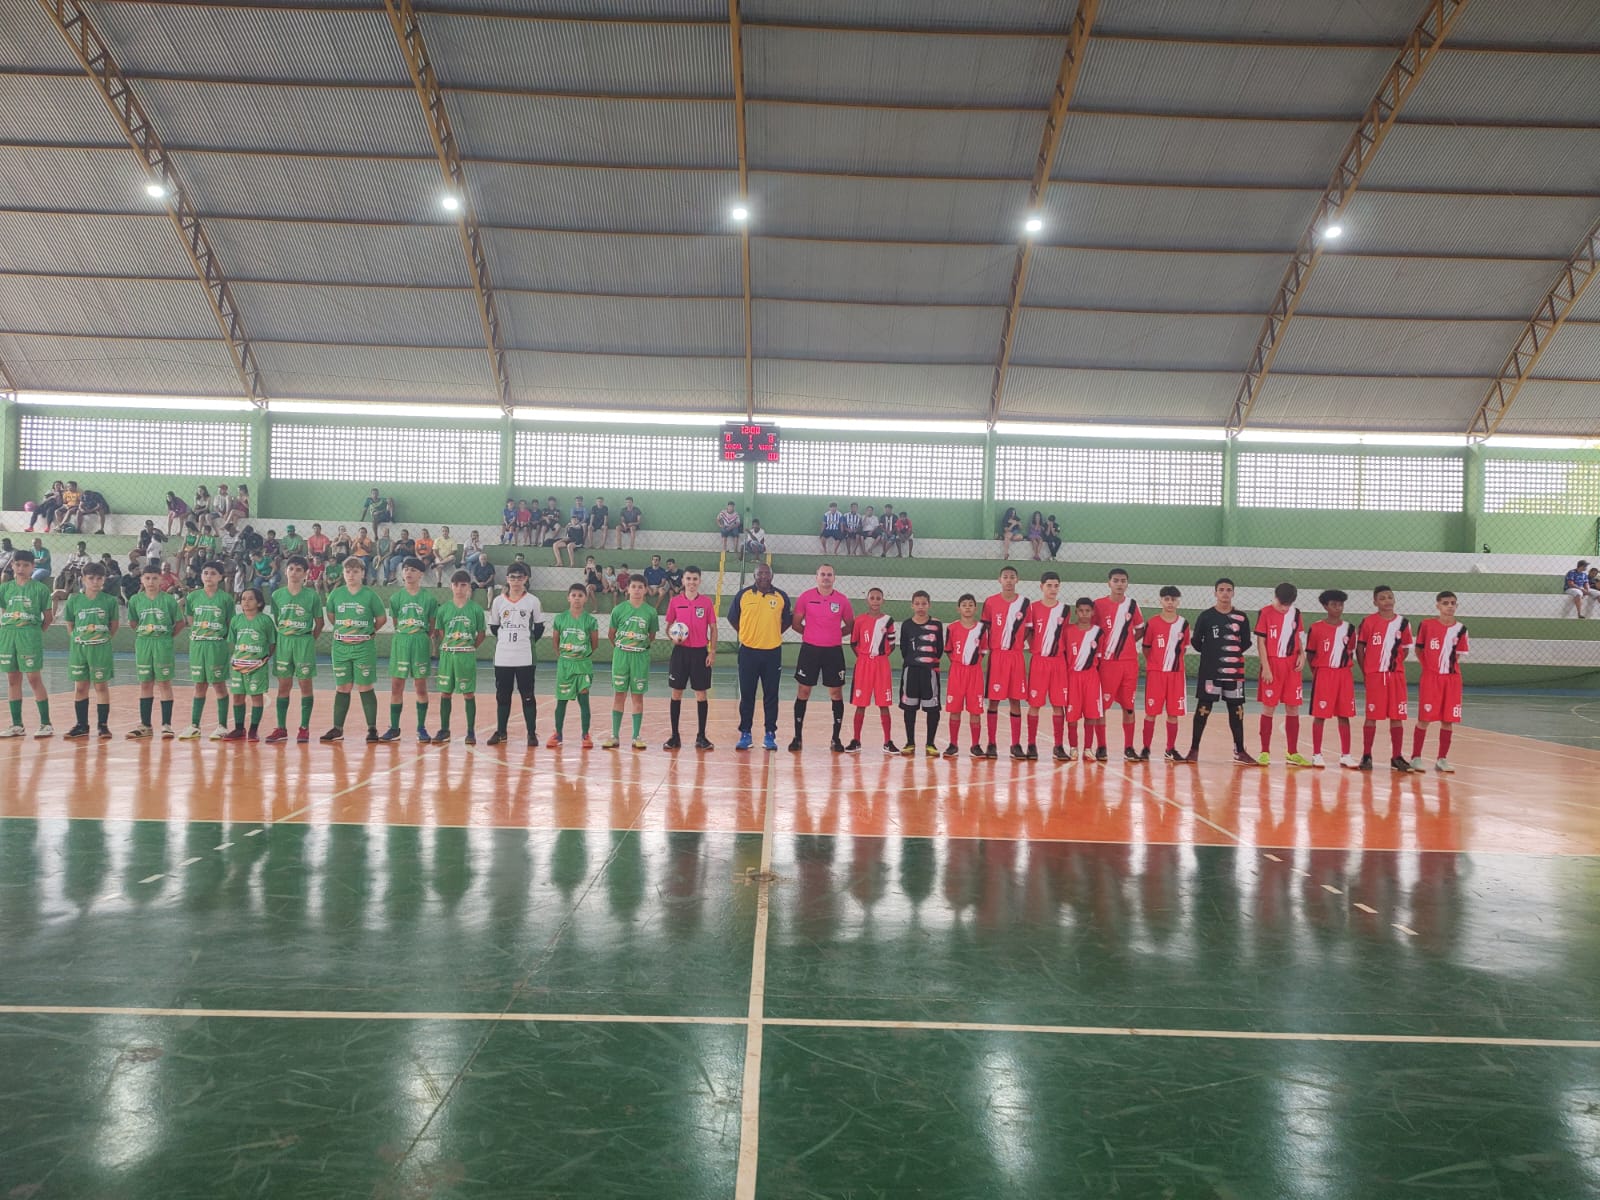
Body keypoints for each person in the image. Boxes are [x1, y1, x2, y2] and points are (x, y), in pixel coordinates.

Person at [1185, 578, 1253, 764]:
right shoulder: (1206, 616)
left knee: (1236, 710)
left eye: (1228, 590)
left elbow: (1245, 643)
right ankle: (1194, 750)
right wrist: (1213, 655)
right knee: (1203, 709)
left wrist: (1230, 657)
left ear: (1233, 593)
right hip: (1210, 672)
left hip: (1234, 672)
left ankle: (1240, 751)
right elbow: (1196, 642)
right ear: (1215, 593)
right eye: (1221, 589)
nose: (1225, 593)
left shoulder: (1242, 617)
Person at [321, 557, 387, 743]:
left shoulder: (370, 595)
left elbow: (381, 619)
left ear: (363, 574)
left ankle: (372, 729)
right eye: (348, 571)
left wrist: (368, 632)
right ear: (343, 573)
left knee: (365, 685)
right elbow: (332, 617)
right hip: (341, 647)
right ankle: (337, 728)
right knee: (343, 686)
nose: (351, 575)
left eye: (355, 571)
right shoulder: (336, 594)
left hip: (363, 647)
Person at [790, 563, 854, 752]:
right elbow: (795, 624)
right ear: (816, 577)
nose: (826, 578)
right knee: (803, 691)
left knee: (836, 693)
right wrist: (812, 634)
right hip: (810, 650)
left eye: (829, 575)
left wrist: (832, 635)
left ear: (834, 578)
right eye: (822, 574)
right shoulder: (806, 597)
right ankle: (797, 737)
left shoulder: (842, 600)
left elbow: (850, 626)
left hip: (833, 651)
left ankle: (836, 738)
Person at [729, 561, 791, 752]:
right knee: (747, 694)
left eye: (766, 574)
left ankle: (770, 733)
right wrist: (748, 634)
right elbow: (733, 618)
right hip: (748, 652)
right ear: (754, 576)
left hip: (772, 653)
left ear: (772, 576)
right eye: (760, 574)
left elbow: (787, 621)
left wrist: (772, 633)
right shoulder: (743, 595)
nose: (763, 576)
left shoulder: (781, 597)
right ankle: (745, 733)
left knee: (771, 695)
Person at [265, 555, 323, 744]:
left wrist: (308, 639)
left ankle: (304, 728)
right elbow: (276, 619)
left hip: (303, 642)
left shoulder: (312, 596)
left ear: (305, 573)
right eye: (291, 569)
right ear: (285, 571)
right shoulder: (277, 595)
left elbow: (319, 623)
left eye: (299, 569)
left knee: (305, 685)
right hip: (284, 642)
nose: (295, 572)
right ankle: (281, 728)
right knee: (283, 686)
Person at [381, 557, 439, 743]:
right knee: (396, 686)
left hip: (420, 642)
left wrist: (420, 636)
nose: (408, 572)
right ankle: (394, 727)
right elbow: (396, 622)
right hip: (401, 642)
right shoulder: (395, 598)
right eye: (406, 569)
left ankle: (421, 728)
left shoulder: (429, 599)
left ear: (421, 574)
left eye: (413, 570)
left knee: (420, 687)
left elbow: (431, 627)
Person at [487, 561, 544, 746]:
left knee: (527, 694)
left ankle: (531, 733)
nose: (516, 580)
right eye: (512, 577)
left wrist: (524, 640)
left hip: (525, 655)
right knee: (502, 694)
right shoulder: (498, 601)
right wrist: (507, 640)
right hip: (503, 656)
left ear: (525, 579)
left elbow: (539, 627)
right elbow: (495, 627)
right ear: (507, 579)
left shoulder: (532, 601)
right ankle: (501, 731)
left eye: (520, 577)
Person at [1357, 584, 1414, 772]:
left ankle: (1396, 756)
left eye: (1390, 597)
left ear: (1394, 599)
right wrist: (1367, 671)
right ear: (1375, 602)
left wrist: (1394, 663)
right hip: (1375, 675)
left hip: (1395, 675)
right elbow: (1360, 648)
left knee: (1397, 716)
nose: (1387, 601)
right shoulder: (1368, 622)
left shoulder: (1403, 623)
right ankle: (1366, 755)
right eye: (1382, 598)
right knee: (1372, 716)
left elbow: (1405, 649)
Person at [177, 561, 236, 740]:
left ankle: (222, 726)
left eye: (212, 573)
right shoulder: (193, 597)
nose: (208, 576)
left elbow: (230, 623)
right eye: (205, 573)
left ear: (220, 577)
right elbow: (190, 617)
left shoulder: (225, 599)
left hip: (216, 645)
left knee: (218, 684)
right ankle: (195, 725)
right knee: (199, 685)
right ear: (201, 575)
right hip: (198, 645)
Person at [125, 562, 185, 738]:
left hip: (162, 643)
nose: (151, 581)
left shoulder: (168, 600)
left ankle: (167, 725)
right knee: (145, 683)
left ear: (161, 580)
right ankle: (145, 725)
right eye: (147, 578)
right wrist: (145, 633)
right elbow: (133, 622)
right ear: (142, 580)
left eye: (155, 578)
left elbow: (180, 623)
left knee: (164, 682)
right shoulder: (135, 600)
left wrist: (166, 636)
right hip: (144, 643)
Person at [1255, 581, 1310, 768]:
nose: (1284, 608)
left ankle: (1292, 752)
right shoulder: (1265, 612)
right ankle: (1264, 751)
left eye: (1288, 605)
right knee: (1269, 707)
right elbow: (1261, 643)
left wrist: (1302, 655)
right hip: (1273, 663)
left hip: (1291, 665)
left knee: (1293, 708)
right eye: (1282, 604)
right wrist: (1266, 667)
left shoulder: (1296, 613)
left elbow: (1298, 637)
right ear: (1276, 597)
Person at [1412, 591, 1468, 773]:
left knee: (1448, 720)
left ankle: (1442, 759)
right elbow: (1419, 649)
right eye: (1445, 603)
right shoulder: (1427, 625)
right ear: (1438, 605)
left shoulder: (1461, 629)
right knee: (1424, 718)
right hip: (1431, 678)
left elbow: (1458, 654)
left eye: (1453, 603)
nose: (1450, 606)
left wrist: (1446, 670)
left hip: (1451, 679)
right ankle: (1416, 757)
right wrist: (1429, 668)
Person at [0, 552, 54, 738]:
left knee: (33, 678)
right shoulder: (5, 588)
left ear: (33, 567)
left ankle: (46, 724)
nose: (21, 568)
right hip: (8, 635)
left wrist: (34, 634)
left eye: (25, 565)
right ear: (13, 566)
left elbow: (48, 618)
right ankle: (17, 725)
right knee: (13, 679)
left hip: (29, 636)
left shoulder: (40, 589)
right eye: (18, 565)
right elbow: (5, 611)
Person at [62, 563, 119, 740]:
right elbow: (70, 624)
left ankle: (103, 726)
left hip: (100, 648)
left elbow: (114, 626)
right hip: (80, 649)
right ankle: (81, 725)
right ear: (83, 579)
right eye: (91, 578)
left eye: (99, 578)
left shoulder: (110, 601)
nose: (95, 581)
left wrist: (101, 639)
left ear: (104, 580)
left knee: (101, 686)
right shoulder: (73, 600)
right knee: (80, 687)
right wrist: (77, 638)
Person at [602, 576, 659, 750]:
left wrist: (638, 647)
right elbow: (611, 634)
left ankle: (636, 736)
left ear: (645, 590)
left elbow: (651, 636)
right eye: (633, 586)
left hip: (640, 657)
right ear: (627, 589)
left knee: (637, 696)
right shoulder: (618, 610)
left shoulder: (650, 612)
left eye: (640, 587)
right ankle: (614, 735)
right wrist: (622, 647)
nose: (636, 590)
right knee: (619, 694)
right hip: (621, 655)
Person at [664, 564, 717, 751]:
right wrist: (673, 636)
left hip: (700, 652)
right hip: (680, 652)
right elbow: (668, 627)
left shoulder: (706, 603)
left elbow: (713, 628)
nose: (691, 582)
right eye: (688, 579)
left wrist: (712, 651)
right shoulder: (675, 602)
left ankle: (701, 736)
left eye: (695, 579)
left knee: (701, 694)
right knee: (676, 692)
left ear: (699, 580)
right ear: (683, 580)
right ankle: (674, 736)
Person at [1094, 568, 1144, 761]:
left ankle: (1129, 747)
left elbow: (1139, 629)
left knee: (1128, 707)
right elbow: (1091, 630)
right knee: (1102, 706)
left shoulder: (1132, 605)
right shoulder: (1098, 605)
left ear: (1127, 583)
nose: (1120, 584)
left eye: (1123, 580)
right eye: (1116, 580)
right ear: (1109, 583)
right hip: (1107, 664)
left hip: (1129, 663)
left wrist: (1127, 644)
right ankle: (1101, 747)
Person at [433, 571, 488, 745]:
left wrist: (470, 647)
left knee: (468, 693)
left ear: (468, 587)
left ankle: (470, 731)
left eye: (463, 584)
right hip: (448, 654)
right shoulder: (443, 609)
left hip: (466, 655)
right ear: (451, 586)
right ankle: (444, 729)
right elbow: (441, 632)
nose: (459, 588)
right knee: (445, 692)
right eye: (456, 584)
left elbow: (481, 634)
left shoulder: (476, 609)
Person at [1306, 588, 1358, 769]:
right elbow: (1311, 655)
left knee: (1344, 715)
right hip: (1324, 673)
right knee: (1320, 715)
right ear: (1325, 606)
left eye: (1340, 604)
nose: (1338, 608)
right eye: (1334, 604)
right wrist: (1318, 673)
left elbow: (1351, 650)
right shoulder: (1316, 628)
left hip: (1344, 675)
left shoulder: (1350, 629)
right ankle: (1317, 754)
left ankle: (1346, 754)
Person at [980, 566, 1029, 759]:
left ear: (1018, 580)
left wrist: (1014, 643)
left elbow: (1028, 630)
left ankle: (1015, 744)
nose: (1009, 580)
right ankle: (991, 743)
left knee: (1015, 699)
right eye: (1005, 577)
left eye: (1012, 577)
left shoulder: (1025, 604)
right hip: (997, 656)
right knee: (994, 700)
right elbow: (985, 629)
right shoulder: (991, 602)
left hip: (1015, 656)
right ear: (999, 580)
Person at [1140, 586, 1190, 763]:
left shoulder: (1183, 624)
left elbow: (1183, 648)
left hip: (1176, 674)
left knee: (1173, 713)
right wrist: (1155, 664)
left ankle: (1170, 749)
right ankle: (1146, 748)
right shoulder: (1152, 623)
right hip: (1156, 674)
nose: (1170, 602)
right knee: (1151, 712)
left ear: (1178, 601)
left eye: (1174, 599)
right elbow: (1146, 648)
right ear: (1160, 600)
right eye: (1167, 599)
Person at [844, 587, 897, 753]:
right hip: (864, 664)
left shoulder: (888, 620)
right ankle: (856, 739)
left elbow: (892, 644)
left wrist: (879, 654)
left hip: (881, 665)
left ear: (883, 601)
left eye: (878, 598)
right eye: (872, 598)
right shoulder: (859, 620)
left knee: (884, 704)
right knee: (860, 704)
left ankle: (888, 741)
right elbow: (854, 643)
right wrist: (863, 657)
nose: (875, 601)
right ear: (867, 600)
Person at [1022, 571, 1068, 761]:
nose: (1053, 589)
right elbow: (1030, 632)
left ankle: (1058, 746)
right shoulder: (1032, 608)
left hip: (1058, 662)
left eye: (1056, 585)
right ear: (1041, 586)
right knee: (1035, 704)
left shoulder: (1065, 610)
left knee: (1059, 704)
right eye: (1049, 585)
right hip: (1039, 662)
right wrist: (1037, 648)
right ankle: (1031, 744)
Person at [548, 582, 599, 749]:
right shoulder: (560, 618)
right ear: (568, 598)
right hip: (565, 664)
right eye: (574, 595)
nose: (577, 599)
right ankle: (558, 734)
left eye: (580, 596)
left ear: (585, 599)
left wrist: (581, 655)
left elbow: (594, 643)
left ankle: (585, 734)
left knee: (584, 699)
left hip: (583, 664)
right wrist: (564, 656)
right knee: (561, 700)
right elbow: (555, 641)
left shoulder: (590, 620)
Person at [222, 587, 275, 741]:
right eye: (243, 598)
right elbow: (232, 642)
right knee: (238, 697)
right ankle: (239, 729)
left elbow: (272, 643)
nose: (246, 601)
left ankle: (253, 730)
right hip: (238, 665)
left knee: (256, 697)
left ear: (259, 602)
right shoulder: (236, 620)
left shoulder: (265, 620)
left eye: (250, 598)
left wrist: (264, 658)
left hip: (257, 665)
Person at [898, 590, 944, 757]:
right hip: (911, 672)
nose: (920, 607)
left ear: (929, 605)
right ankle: (910, 742)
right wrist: (914, 661)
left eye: (924, 604)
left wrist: (927, 662)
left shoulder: (937, 625)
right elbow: (903, 648)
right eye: (917, 604)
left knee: (932, 708)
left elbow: (939, 649)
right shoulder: (906, 625)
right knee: (909, 707)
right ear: (912, 605)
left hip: (929, 672)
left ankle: (930, 744)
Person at [942, 593, 986, 758]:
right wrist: (958, 661)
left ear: (975, 608)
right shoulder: (952, 628)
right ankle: (953, 744)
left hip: (974, 673)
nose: (967, 607)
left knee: (975, 711)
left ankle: (975, 745)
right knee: (955, 709)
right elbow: (948, 649)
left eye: (970, 604)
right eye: (964, 604)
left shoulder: (981, 628)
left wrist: (974, 661)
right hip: (957, 672)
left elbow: (984, 649)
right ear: (958, 608)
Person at [1064, 596, 1105, 761]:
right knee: (1072, 715)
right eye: (1081, 610)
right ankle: (1073, 747)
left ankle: (1088, 749)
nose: (1084, 614)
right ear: (1076, 612)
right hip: (1072, 677)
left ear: (1093, 612)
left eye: (1088, 611)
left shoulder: (1098, 632)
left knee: (1091, 714)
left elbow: (1100, 658)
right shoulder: (1068, 631)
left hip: (1091, 677)